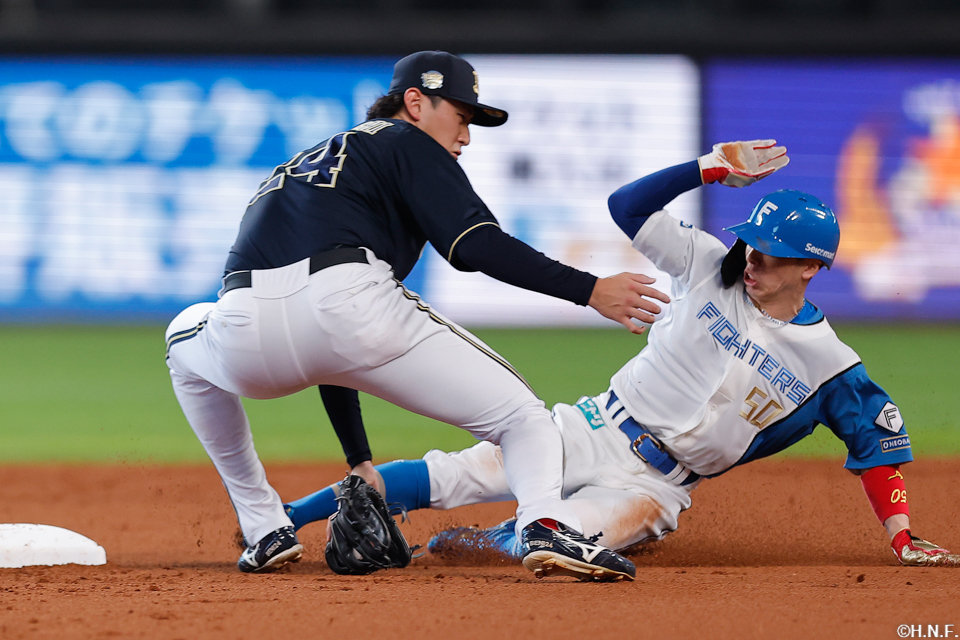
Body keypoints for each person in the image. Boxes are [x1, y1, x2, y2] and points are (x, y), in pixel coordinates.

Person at [285, 140, 959, 568]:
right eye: (749, 242)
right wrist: (706, 167)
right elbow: (626, 206)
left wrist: (903, 534)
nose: (751, 258)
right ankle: (282, 520)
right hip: (592, 424)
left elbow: (880, 448)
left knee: (553, 544)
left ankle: (455, 547)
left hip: (655, 488)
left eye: (770, 252)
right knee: (451, 474)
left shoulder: (830, 364)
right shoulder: (708, 265)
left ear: (811, 268)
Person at [164, 51, 666, 580]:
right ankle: (544, 522)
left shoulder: (305, 167)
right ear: (415, 102)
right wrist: (589, 289)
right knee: (522, 419)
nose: (466, 136)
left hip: (243, 329)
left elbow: (322, 339)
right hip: (351, 302)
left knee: (182, 342)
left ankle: (264, 523)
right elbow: (475, 245)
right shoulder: (407, 141)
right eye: (461, 116)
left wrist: (359, 460)